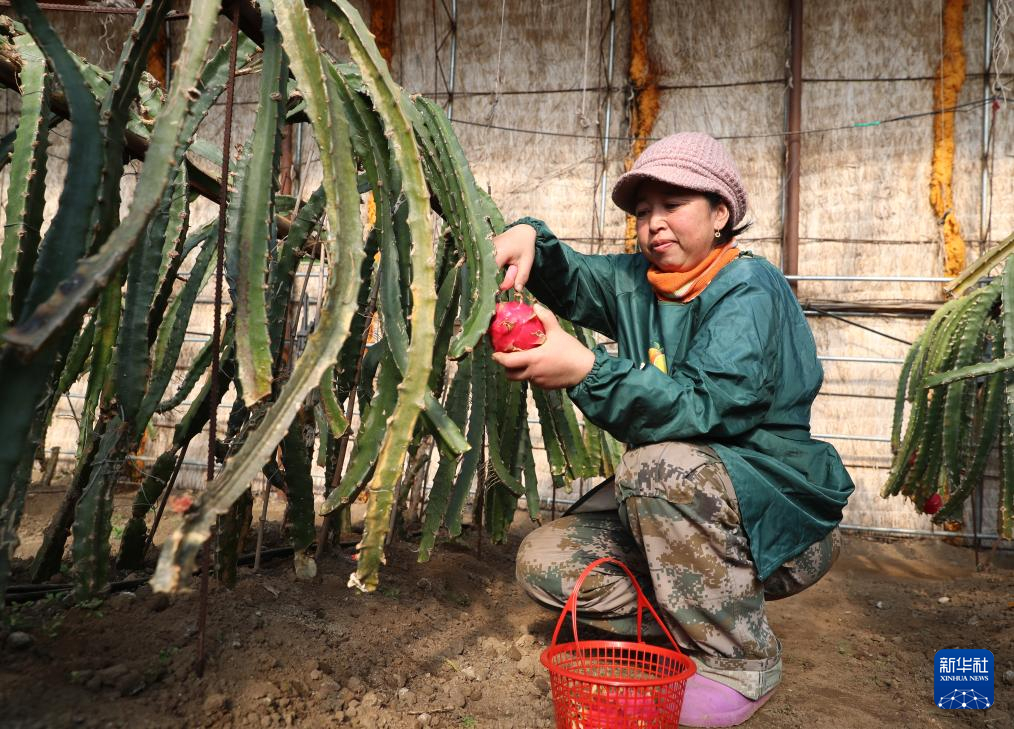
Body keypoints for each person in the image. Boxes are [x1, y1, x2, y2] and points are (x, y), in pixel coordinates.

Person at [490, 132, 855, 727]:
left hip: (777, 514)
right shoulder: (642, 282)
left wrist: (585, 368)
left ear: (720, 214)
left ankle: (740, 661)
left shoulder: (748, 288)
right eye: (642, 212)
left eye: (674, 205)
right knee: (548, 561)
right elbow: (576, 279)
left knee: (657, 464)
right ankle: (689, 622)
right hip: (684, 510)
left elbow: (709, 405)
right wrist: (532, 235)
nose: (655, 223)